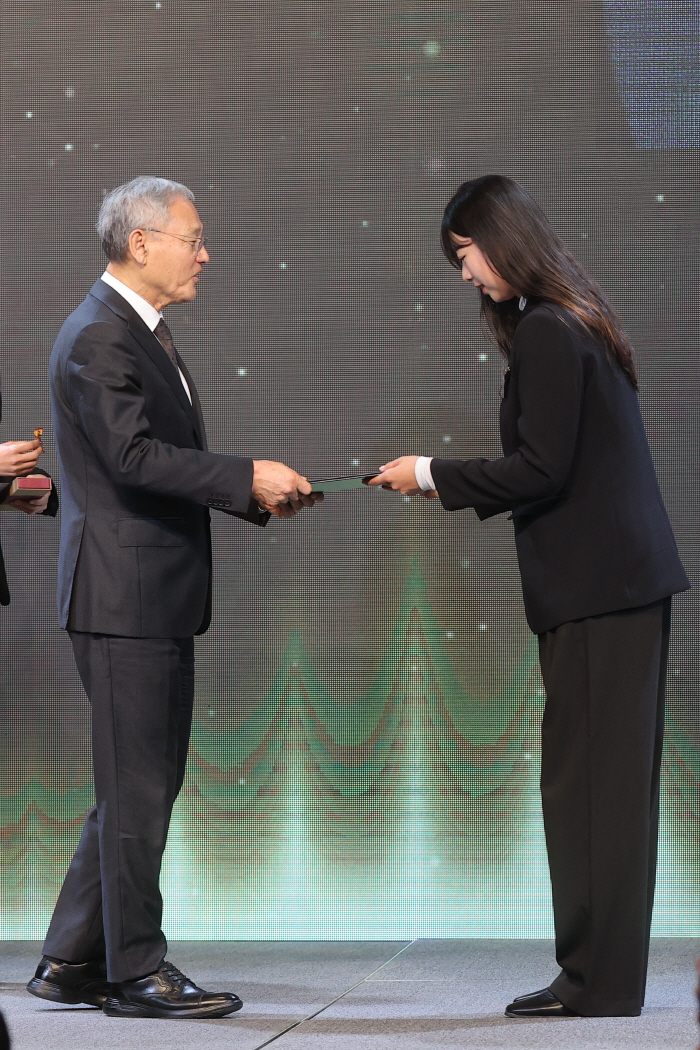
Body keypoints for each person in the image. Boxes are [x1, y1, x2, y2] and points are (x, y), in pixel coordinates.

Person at [369, 175, 689, 1018]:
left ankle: (595, 982)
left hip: (599, 590)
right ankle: (601, 978)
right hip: (617, 587)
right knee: (603, 788)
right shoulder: (572, 318)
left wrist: (431, 475)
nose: (465, 275)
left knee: (590, 791)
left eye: (465, 255)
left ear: (499, 240)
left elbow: (541, 469)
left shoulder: (550, 330)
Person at [27, 176, 321, 1020]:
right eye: (192, 237)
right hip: (123, 597)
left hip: (147, 593)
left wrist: (252, 490)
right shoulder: (100, 336)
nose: (205, 252)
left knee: (138, 781)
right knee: (139, 785)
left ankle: (71, 959)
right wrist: (243, 478)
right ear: (140, 242)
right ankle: (135, 973)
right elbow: (133, 460)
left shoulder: (132, 330)